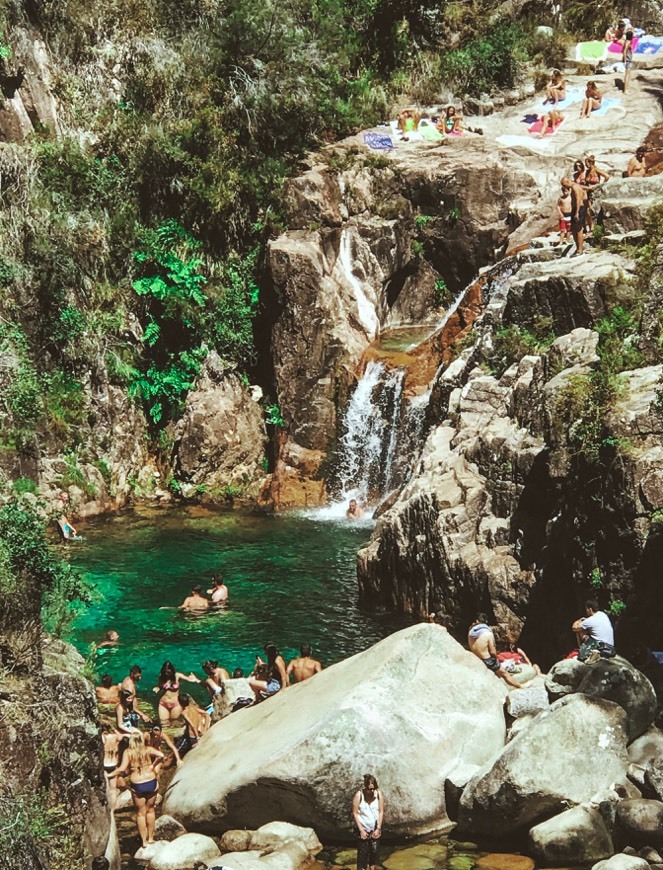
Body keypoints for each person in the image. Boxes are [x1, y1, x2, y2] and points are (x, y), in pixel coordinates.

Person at [108, 732, 164, 848]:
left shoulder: (128, 752)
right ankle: (151, 838)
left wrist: (110, 775)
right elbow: (161, 755)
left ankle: (143, 841)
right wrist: (153, 766)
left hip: (138, 784)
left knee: (140, 813)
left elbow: (122, 769)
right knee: (151, 810)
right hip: (151, 781)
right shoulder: (147, 749)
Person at [467, 615, 527, 688]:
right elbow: (493, 652)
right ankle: (520, 686)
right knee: (505, 674)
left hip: (475, 658)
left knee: (498, 672)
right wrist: (496, 659)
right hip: (487, 660)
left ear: (477, 621)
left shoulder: (470, 633)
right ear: (486, 622)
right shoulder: (488, 633)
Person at [352, 773, 384, 870]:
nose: (372, 791)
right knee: (363, 856)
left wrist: (378, 828)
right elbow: (355, 813)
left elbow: (381, 811)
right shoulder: (359, 795)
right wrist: (361, 830)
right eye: (370, 789)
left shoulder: (378, 794)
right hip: (363, 829)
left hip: (374, 828)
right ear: (365, 787)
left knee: (373, 855)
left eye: (374, 788)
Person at [175, 694, 210, 758]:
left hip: (191, 737)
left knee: (176, 752)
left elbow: (192, 725)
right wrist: (205, 729)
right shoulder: (193, 707)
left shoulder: (184, 713)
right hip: (194, 735)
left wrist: (197, 737)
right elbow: (206, 714)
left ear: (180, 703)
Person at [582, 155, 610, 232]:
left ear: (590, 163)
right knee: (589, 210)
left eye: (586, 163)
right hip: (589, 192)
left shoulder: (596, 170)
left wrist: (601, 186)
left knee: (595, 210)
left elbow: (607, 176)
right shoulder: (587, 172)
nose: (586, 165)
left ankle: (596, 228)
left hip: (596, 192)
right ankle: (592, 227)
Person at [561, 177, 588, 256]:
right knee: (573, 228)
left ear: (567, 182)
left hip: (578, 209)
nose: (565, 187)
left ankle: (580, 250)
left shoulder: (575, 187)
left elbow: (578, 199)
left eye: (564, 185)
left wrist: (577, 212)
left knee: (578, 229)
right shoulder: (576, 186)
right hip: (575, 209)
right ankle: (578, 248)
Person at [101, 724, 125, 809]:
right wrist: (114, 728)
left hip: (105, 764)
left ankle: (107, 807)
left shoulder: (104, 737)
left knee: (106, 788)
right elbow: (121, 737)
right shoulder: (115, 737)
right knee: (113, 789)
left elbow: (102, 742)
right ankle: (113, 809)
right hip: (113, 764)